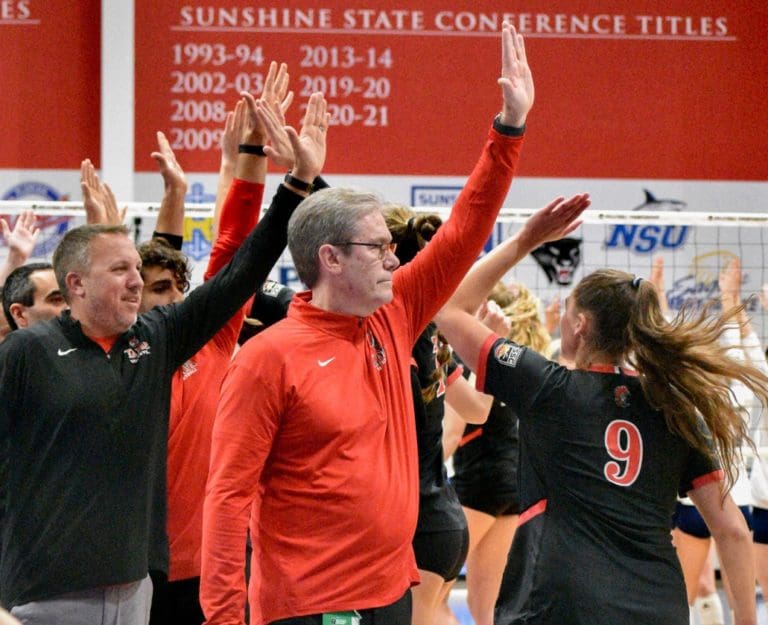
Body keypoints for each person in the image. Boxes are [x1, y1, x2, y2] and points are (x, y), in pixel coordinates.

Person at [200, 22, 534, 625]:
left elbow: (463, 229)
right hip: (311, 608)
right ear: (330, 258)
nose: (394, 258)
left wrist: (509, 128)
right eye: (377, 247)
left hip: (390, 595)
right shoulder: (268, 356)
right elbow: (226, 498)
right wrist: (223, 618)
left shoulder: (395, 314)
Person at [0, 90, 327, 625]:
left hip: (136, 587)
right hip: (45, 590)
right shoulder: (26, 352)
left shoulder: (155, 338)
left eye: (137, 269)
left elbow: (238, 272)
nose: (135, 283)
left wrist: (296, 185)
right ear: (76, 284)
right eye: (121, 272)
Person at [435, 194, 765, 625]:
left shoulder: (548, 387)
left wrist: (526, 240)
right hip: (657, 607)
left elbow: (449, 309)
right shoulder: (676, 408)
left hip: (559, 604)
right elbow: (733, 530)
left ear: (580, 325)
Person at [383, 204, 493, 625]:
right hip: (443, 519)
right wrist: (483, 341)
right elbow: (479, 409)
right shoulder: (426, 338)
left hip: (419, 525)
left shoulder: (398, 338)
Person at [445, 280, 551, 625]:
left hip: (478, 485)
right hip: (513, 485)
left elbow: (453, 432)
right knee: (486, 607)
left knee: (431, 595)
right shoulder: (520, 361)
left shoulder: (474, 357)